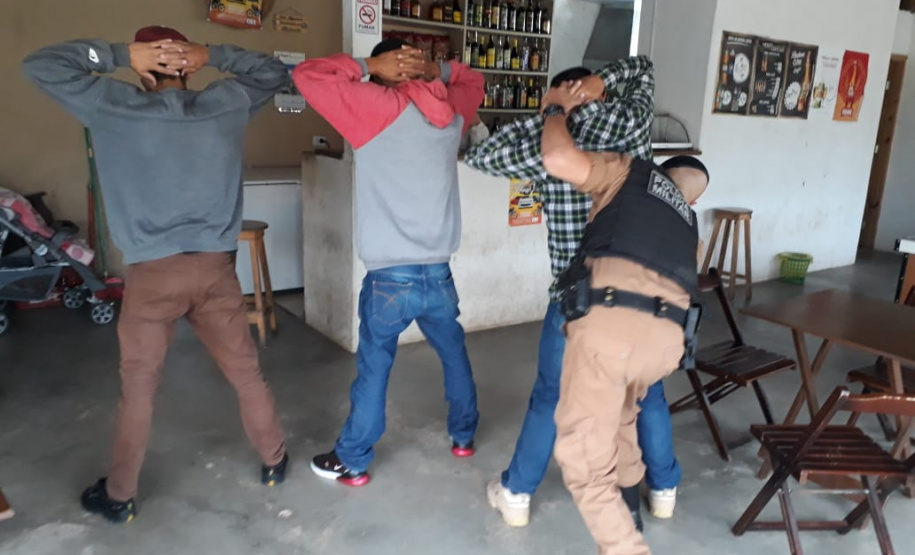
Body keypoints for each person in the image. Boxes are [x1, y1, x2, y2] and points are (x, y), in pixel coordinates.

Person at [23, 26, 290, 523]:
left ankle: (120, 495)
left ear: (144, 68)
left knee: (140, 387)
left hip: (151, 276)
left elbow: (40, 65)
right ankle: (274, 461)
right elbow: (274, 71)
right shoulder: (226, 103)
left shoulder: (112, 103)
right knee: (245, 372)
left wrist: (119, 54)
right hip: (216, 270)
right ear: (190, 66)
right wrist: (214, 54)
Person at [463, 57, 681, 528]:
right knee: (646, 393)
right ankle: (664, 487)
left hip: (577, 299)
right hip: (642, 293)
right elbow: (645, 68)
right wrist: (599, 84)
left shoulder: (545, 145)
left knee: (550, 395)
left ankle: (517, 493)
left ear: (559, 93)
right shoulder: (631, 121)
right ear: (598, 90)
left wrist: (551, 112)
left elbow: (480, 155)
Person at [292, 40, 485, 486]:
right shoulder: (451, 112)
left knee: (375, 366)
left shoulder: (372, 107)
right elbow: (474, 80)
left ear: (385, 72)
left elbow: (307, 75)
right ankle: (463, 436)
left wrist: (367, 64)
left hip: (389, 277)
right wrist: (438, 70)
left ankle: (354, 459)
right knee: (454, 354)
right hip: (438, 272)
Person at [541, 81, 709, 555]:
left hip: (611, 326)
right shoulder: (689, 225)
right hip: (666, 346)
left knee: (584, 462)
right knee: (621, 419)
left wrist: (554, 109)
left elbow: (558, 159)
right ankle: (630, 512)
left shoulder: (632, 171)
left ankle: (624, 546)